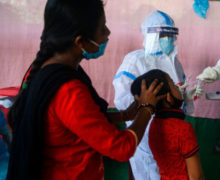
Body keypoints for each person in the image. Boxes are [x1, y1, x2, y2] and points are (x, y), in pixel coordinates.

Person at [6, 0, 165, 179]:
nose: (108, 34)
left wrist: (124, 115)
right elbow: (122, 148)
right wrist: (146, 108)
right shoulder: (69, 91)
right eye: (102, 28)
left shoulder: (47, 70)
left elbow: (80, 120)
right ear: (80, 41)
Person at [113, 10, 203, 179]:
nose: (168, 40)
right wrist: (147, 109)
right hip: (146, 131)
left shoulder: (175, 62)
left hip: (171, 135)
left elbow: (178, 93)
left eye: (170, 35)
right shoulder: (135, 60)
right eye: (163, 35)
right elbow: (123, 100)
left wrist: (186, 97)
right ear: (150, 35)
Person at [131, 69, 204, 180]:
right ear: (168, 98)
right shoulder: (183, 128)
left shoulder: (154, 125)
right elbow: (196, 176)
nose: (179, 88)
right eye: (174, 86)